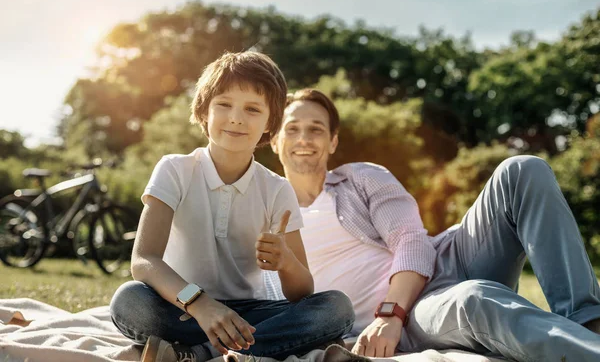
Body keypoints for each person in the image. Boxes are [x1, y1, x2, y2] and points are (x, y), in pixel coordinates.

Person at [268, 88, 600, 361]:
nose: (304, 139)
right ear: (274, 141)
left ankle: (589, 323)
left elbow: (409, 239)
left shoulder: (359, 178)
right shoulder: (265, 217)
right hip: (420, 314)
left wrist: (389, 313)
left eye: (316, 129)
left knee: (522, 170)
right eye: (293, 129)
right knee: (474, 299)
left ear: (333, 142)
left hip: (444, 261)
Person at [109, 56, 354, 362]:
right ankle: (248, 348)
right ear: (204, 111)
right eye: (224, 105)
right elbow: (144, 261)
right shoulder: (174, 169)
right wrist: (201, 305)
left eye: (253, 109)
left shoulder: (277, 189)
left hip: (249, 314)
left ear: (270, 124)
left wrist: (286, 262)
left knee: (336, 308)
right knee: (129, 301)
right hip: (182, 306)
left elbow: (302, 293)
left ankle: (198, 354)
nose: (237, 118)